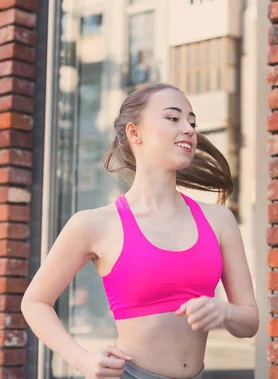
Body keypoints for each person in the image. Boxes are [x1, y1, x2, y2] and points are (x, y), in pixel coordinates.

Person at [21, 83, 259, 379]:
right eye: (173, 118)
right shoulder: (94, 224)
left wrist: (224, 311)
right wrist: (80, 359)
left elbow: (250, 321)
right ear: (135, 133)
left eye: (192, 122)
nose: (188, 129)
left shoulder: (219, 220)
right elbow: (34, 302)